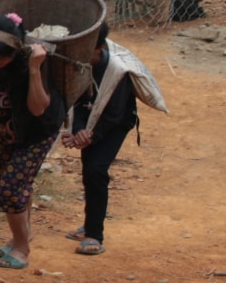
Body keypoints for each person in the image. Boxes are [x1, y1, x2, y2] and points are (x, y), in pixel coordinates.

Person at [0, 12, 67, 270]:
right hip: (6, 129)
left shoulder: (33, 61)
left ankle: (22, 248)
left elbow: (38, 109)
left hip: (37, 132)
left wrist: (35, 69)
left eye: (0, 57)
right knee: (10, 180)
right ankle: (19, 236)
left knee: (12, 188)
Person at [63, 20, 162, 257]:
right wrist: (77, 131)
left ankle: (94, 234)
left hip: (114, 123)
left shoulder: (117, 71)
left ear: (100, 49)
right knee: (88, 168)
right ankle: (89, 224)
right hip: (89, 116)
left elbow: (114, 115)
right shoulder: (80, 62)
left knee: (96, 169)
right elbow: (75, 98)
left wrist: (91, 137)